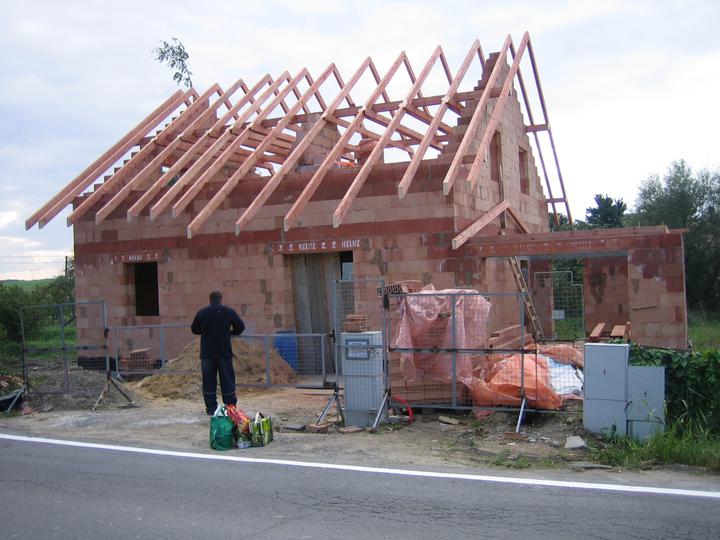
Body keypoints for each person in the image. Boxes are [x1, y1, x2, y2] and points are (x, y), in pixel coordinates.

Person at [191, 291, 245, 415]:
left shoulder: (202, 312)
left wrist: (205, 331)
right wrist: (230, 333)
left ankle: (211, 409)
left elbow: (194, 329)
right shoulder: (229, 312)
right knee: (227, 379)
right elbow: (240, 327)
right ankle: (230, 408)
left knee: (208, 381)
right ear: (221, 299)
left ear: (210, 299)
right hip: (224, 352)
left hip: (207, 353)